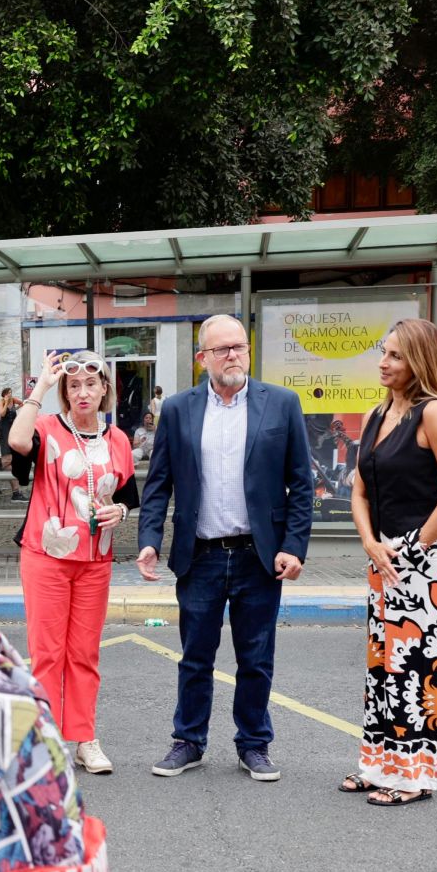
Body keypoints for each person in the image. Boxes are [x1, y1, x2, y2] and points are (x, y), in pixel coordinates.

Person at [137, 314, 313, 782]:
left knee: (256, 658)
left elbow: (301, 482)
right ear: (203, 358)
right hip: (201, 556)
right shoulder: (179, 409)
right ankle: (188, 741)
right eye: (222, 349)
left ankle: (254, 744)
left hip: (260, 556)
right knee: (195, 657)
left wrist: (294, 546)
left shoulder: (281, 403)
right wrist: (150, 540)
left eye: (239, 346)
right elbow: (158, 484)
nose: (233, 355)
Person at [341, 319, 437, 807]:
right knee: (382, 665)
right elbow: (359, 490)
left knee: (416, 668)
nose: (384, 362)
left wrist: (414, 546)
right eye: (384, 352)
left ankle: (414, 775)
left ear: (420, 360)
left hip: (427, 558)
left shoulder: (435, 413)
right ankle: (378, 765)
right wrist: (370, 543)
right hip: (384, 556)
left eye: (396, 355)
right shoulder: (377, 414)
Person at [6, 348, 136, 775]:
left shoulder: (118, 440)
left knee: (84, 653)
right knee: (47, 653)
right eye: (74, 385)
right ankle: (45, 743)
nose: (82, 392)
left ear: (104, 389)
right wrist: (40, 387)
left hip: (95, 560)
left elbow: (127, 497)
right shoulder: (46, 427)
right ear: (65, 392)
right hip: (46, 556)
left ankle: (84, 738)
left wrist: (120, 512)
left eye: (90, 384)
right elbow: (17, 442)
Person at [0, 388, 31, 503]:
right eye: (8, 393)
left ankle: (16, 491)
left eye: (11, 392)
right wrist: (6, 403)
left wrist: (16, 408)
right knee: (8, 458)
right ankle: (16, 491)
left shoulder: (13, 400)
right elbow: (2, 413)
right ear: (4, 394)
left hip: (14, 428)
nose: (10, 394)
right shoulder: (1, 401)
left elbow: (22, 403)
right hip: (5, 430)